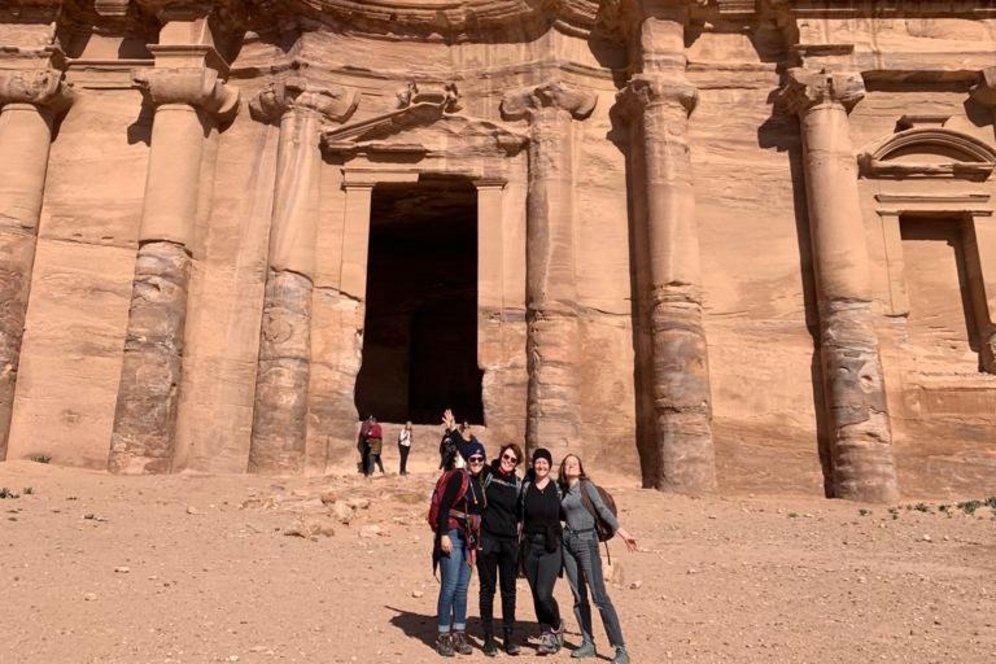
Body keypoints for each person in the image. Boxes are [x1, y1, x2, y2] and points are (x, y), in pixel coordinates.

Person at [557, 454, 638, 664]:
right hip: (568, 543)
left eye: (574, 462)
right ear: (563, 469)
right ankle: (588, 643)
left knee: (599, 597)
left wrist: (624, 533)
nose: (571, 465)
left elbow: (602, 510)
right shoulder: (564, 491)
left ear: (580, 467)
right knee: (578, 596)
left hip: (587, 542)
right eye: (567, 463)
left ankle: (620, 649)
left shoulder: (587, 486)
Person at [434, 438, 488, 657]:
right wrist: (443, 536)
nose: (476, 461)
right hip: (454, 535)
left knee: (462, 589)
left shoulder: (480, 481)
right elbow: (444, 507)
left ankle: (459, 633)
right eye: (472, 458)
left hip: (470, 540)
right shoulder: (459, 477)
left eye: (480, 458)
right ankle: (443, 636)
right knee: (449, 586)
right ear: (467, 459)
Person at [477, 443, 524, 656]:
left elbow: (523, 512)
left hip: (509, 543)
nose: (508, 461)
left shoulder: (517, 483)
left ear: (517, 463)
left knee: (509, 591)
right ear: (501, 455)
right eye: (506, 456)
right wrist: (453, 431)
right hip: (488, 540)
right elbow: (470, 452)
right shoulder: (487, 473)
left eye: (513, 459)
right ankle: (488, 639)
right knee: (488, 589)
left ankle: (509, 638)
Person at [519, 447, 564, 655]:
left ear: (550, 466)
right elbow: (516, 512)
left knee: (544, 593)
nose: (541, 465)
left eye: (545, 462)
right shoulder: (526, 487)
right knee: (536, 595)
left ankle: (556, 625)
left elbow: (570, 510)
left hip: (551, 546)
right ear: (533, 465)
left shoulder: (558, 489)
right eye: (538, 462)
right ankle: (546, 633)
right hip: (530, 546)